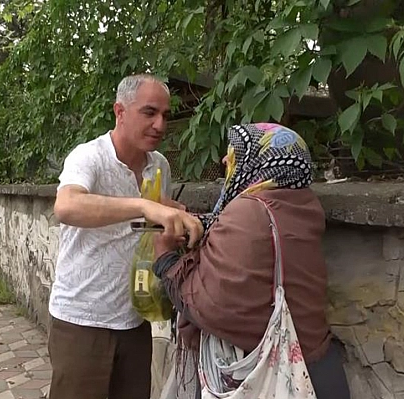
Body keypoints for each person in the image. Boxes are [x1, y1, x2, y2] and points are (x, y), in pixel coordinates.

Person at [152, 123, 351, 399]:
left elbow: (207, 305)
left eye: (235, 152)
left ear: (256, 161)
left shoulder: (248, 212)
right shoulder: (302, 203)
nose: (225, 160)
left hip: (263, 377)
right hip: (314, 367)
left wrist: (165, 259)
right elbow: (246, 241)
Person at [48, 73, 204, 399]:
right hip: (83, 320)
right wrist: (145, 206)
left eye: (165, 115)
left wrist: (172, 221)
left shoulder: (159, 166)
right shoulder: (89, 157)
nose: (160, 125)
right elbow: (67, 206)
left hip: (135, 319)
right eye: (149, 113)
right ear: (120, 112)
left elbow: (148, 233)